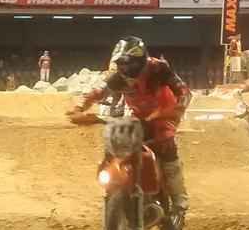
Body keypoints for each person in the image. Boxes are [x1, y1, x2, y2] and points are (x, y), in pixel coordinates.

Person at [70, 37, 192, 215]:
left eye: (128, 64)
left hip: (164, 113)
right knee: (118, 141)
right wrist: (79, 108)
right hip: (137, 116)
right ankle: (115, 187)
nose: (124, 69)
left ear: (139, 61)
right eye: (121, 64)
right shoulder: (118, 76)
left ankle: (179, 200)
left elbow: (183, 91)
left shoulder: (158, 68)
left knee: (165, 143)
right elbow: (98, 91)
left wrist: (176, 109)